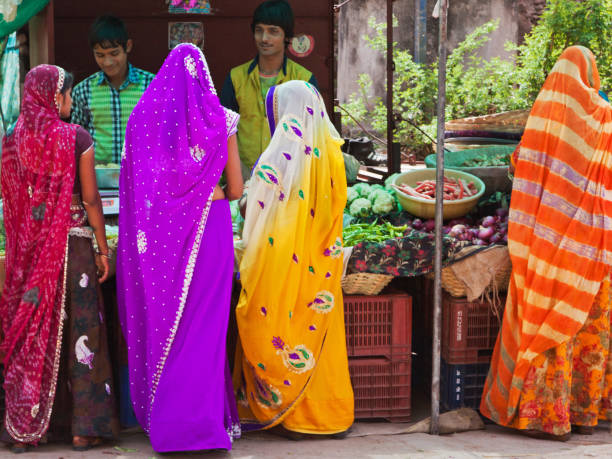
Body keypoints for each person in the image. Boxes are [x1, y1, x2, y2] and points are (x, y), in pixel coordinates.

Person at [480, 46, 612, 441]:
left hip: (544, 247)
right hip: (593, 251)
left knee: (543, 322)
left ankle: (542, 418)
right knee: (588, 328)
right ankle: (586, 412)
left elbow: (520, 166)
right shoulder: (606, 121)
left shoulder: (544, 117)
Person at [117, 43, 243, 453]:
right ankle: (204, 428)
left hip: (164, 239)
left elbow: (139, 190)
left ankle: (168, 428)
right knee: (206, 330)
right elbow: (237, 189)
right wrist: (209, 191)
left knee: (169, 325)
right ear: (204, 76)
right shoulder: (221, 120)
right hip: (213, 233)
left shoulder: (145, 121)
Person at [0, 65, 119, 453]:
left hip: (31, 254)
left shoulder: (11, 142)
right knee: (84, 332)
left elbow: (15, 203)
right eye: (66, 95)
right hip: (75, 248)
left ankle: (26, 426)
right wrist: (103, 249)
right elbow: (89, 199)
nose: (69, 102)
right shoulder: (75, 138)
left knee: (35, 334)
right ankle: (85, 428)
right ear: (54, 97)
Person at [234, 80, 354, 435]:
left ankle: (283, 408)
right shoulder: (333, 155)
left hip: (280, 262)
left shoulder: (276, 159)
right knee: (318, 332)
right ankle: (325, 412)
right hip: (320, 269)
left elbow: (256, 211)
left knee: (274, 325)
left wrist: (244, 204)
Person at [220, 0, 318, 179]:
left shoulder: (304, 80)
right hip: (243, 180)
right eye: (259, 30)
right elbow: (223, 132)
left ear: (287, 36)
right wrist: (240, 176)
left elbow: (314, 135)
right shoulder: (236, 78)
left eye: (273, 31)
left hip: (290, 182)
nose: (264, 38)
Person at [71, 15, 154, 165]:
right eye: (100, 55)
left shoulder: (151, 86)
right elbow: (77, 142)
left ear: (127, 46)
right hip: (97, 178)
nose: (107, 62)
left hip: (142, 176)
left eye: (114, 53)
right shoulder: (83, 91)